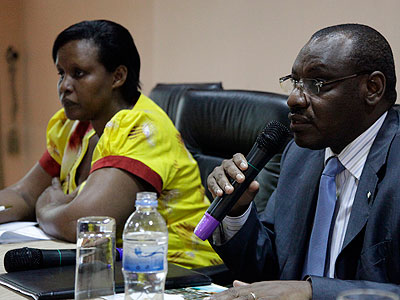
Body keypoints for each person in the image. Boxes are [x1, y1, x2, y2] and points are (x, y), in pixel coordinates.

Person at [0, 20, 222, 269]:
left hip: (174, 273)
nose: (64, 86)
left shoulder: (142, 128)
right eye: (61, 73)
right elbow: (24, 193)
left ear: (118, 76)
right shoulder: (75, 126)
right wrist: (56, 204)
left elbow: (84, 225)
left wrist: (46, 205)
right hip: (109, 266)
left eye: (78, 74)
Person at [206, 24, 400, 299]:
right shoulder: (301, 156)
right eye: (294, 81)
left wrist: (313, 292)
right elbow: (269, 271)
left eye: (317, 84)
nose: (293, 98)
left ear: (372, 88)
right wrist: (237, 211)